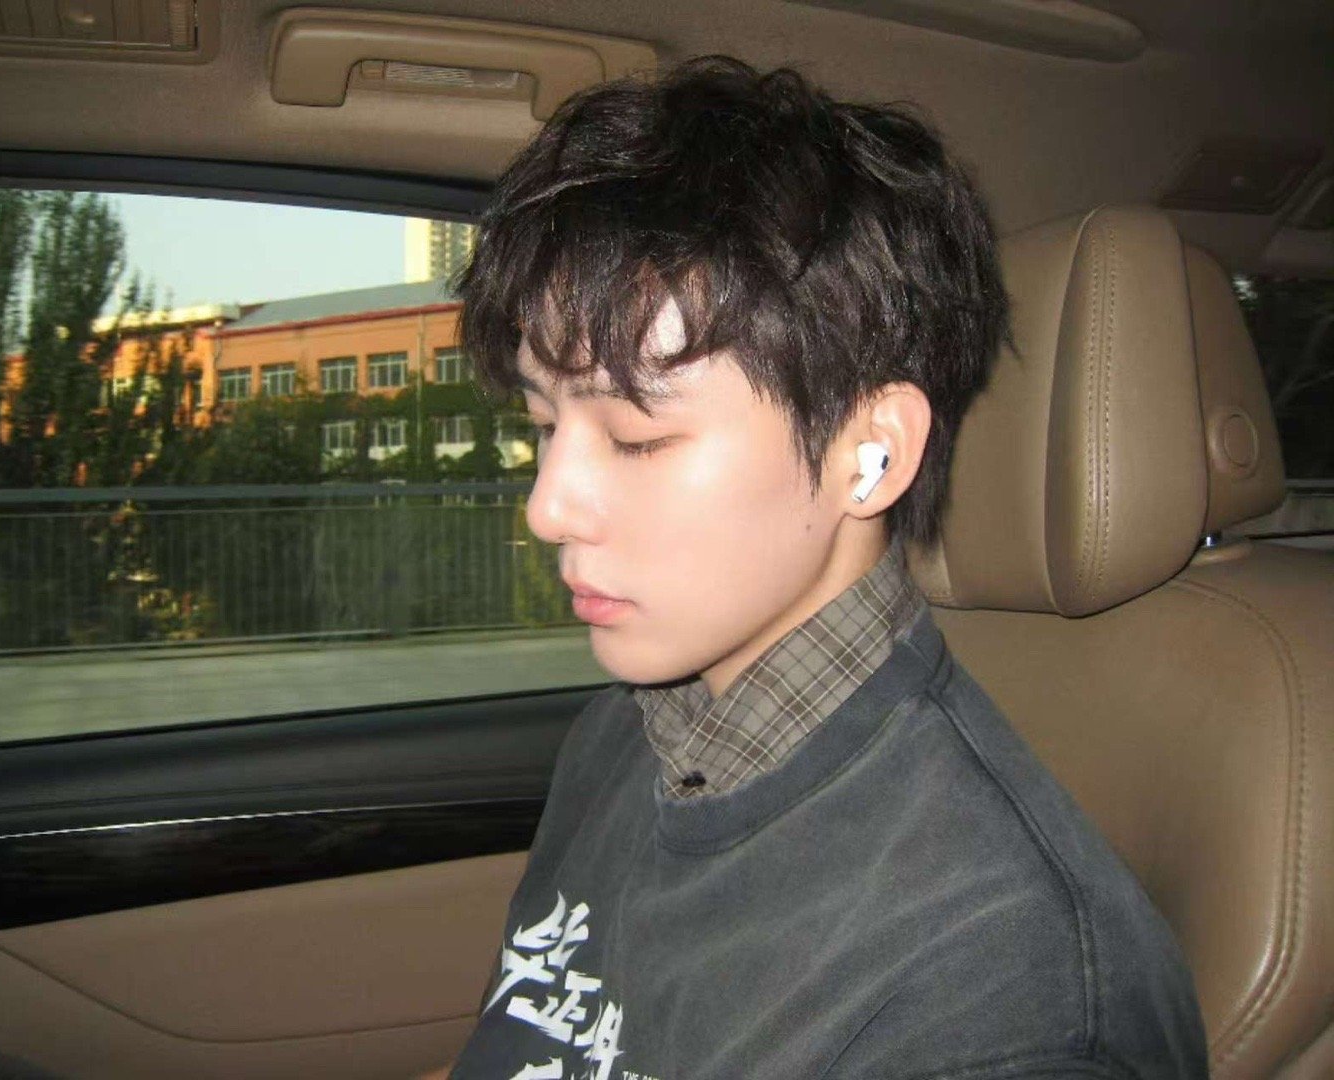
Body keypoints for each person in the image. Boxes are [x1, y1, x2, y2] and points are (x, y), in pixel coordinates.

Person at [441, 56, 1208, 1080]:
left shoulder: (1001, 996)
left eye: (634, 436)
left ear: (870, 452)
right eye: (544, 423)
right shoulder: (621, 737)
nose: (546, 506)